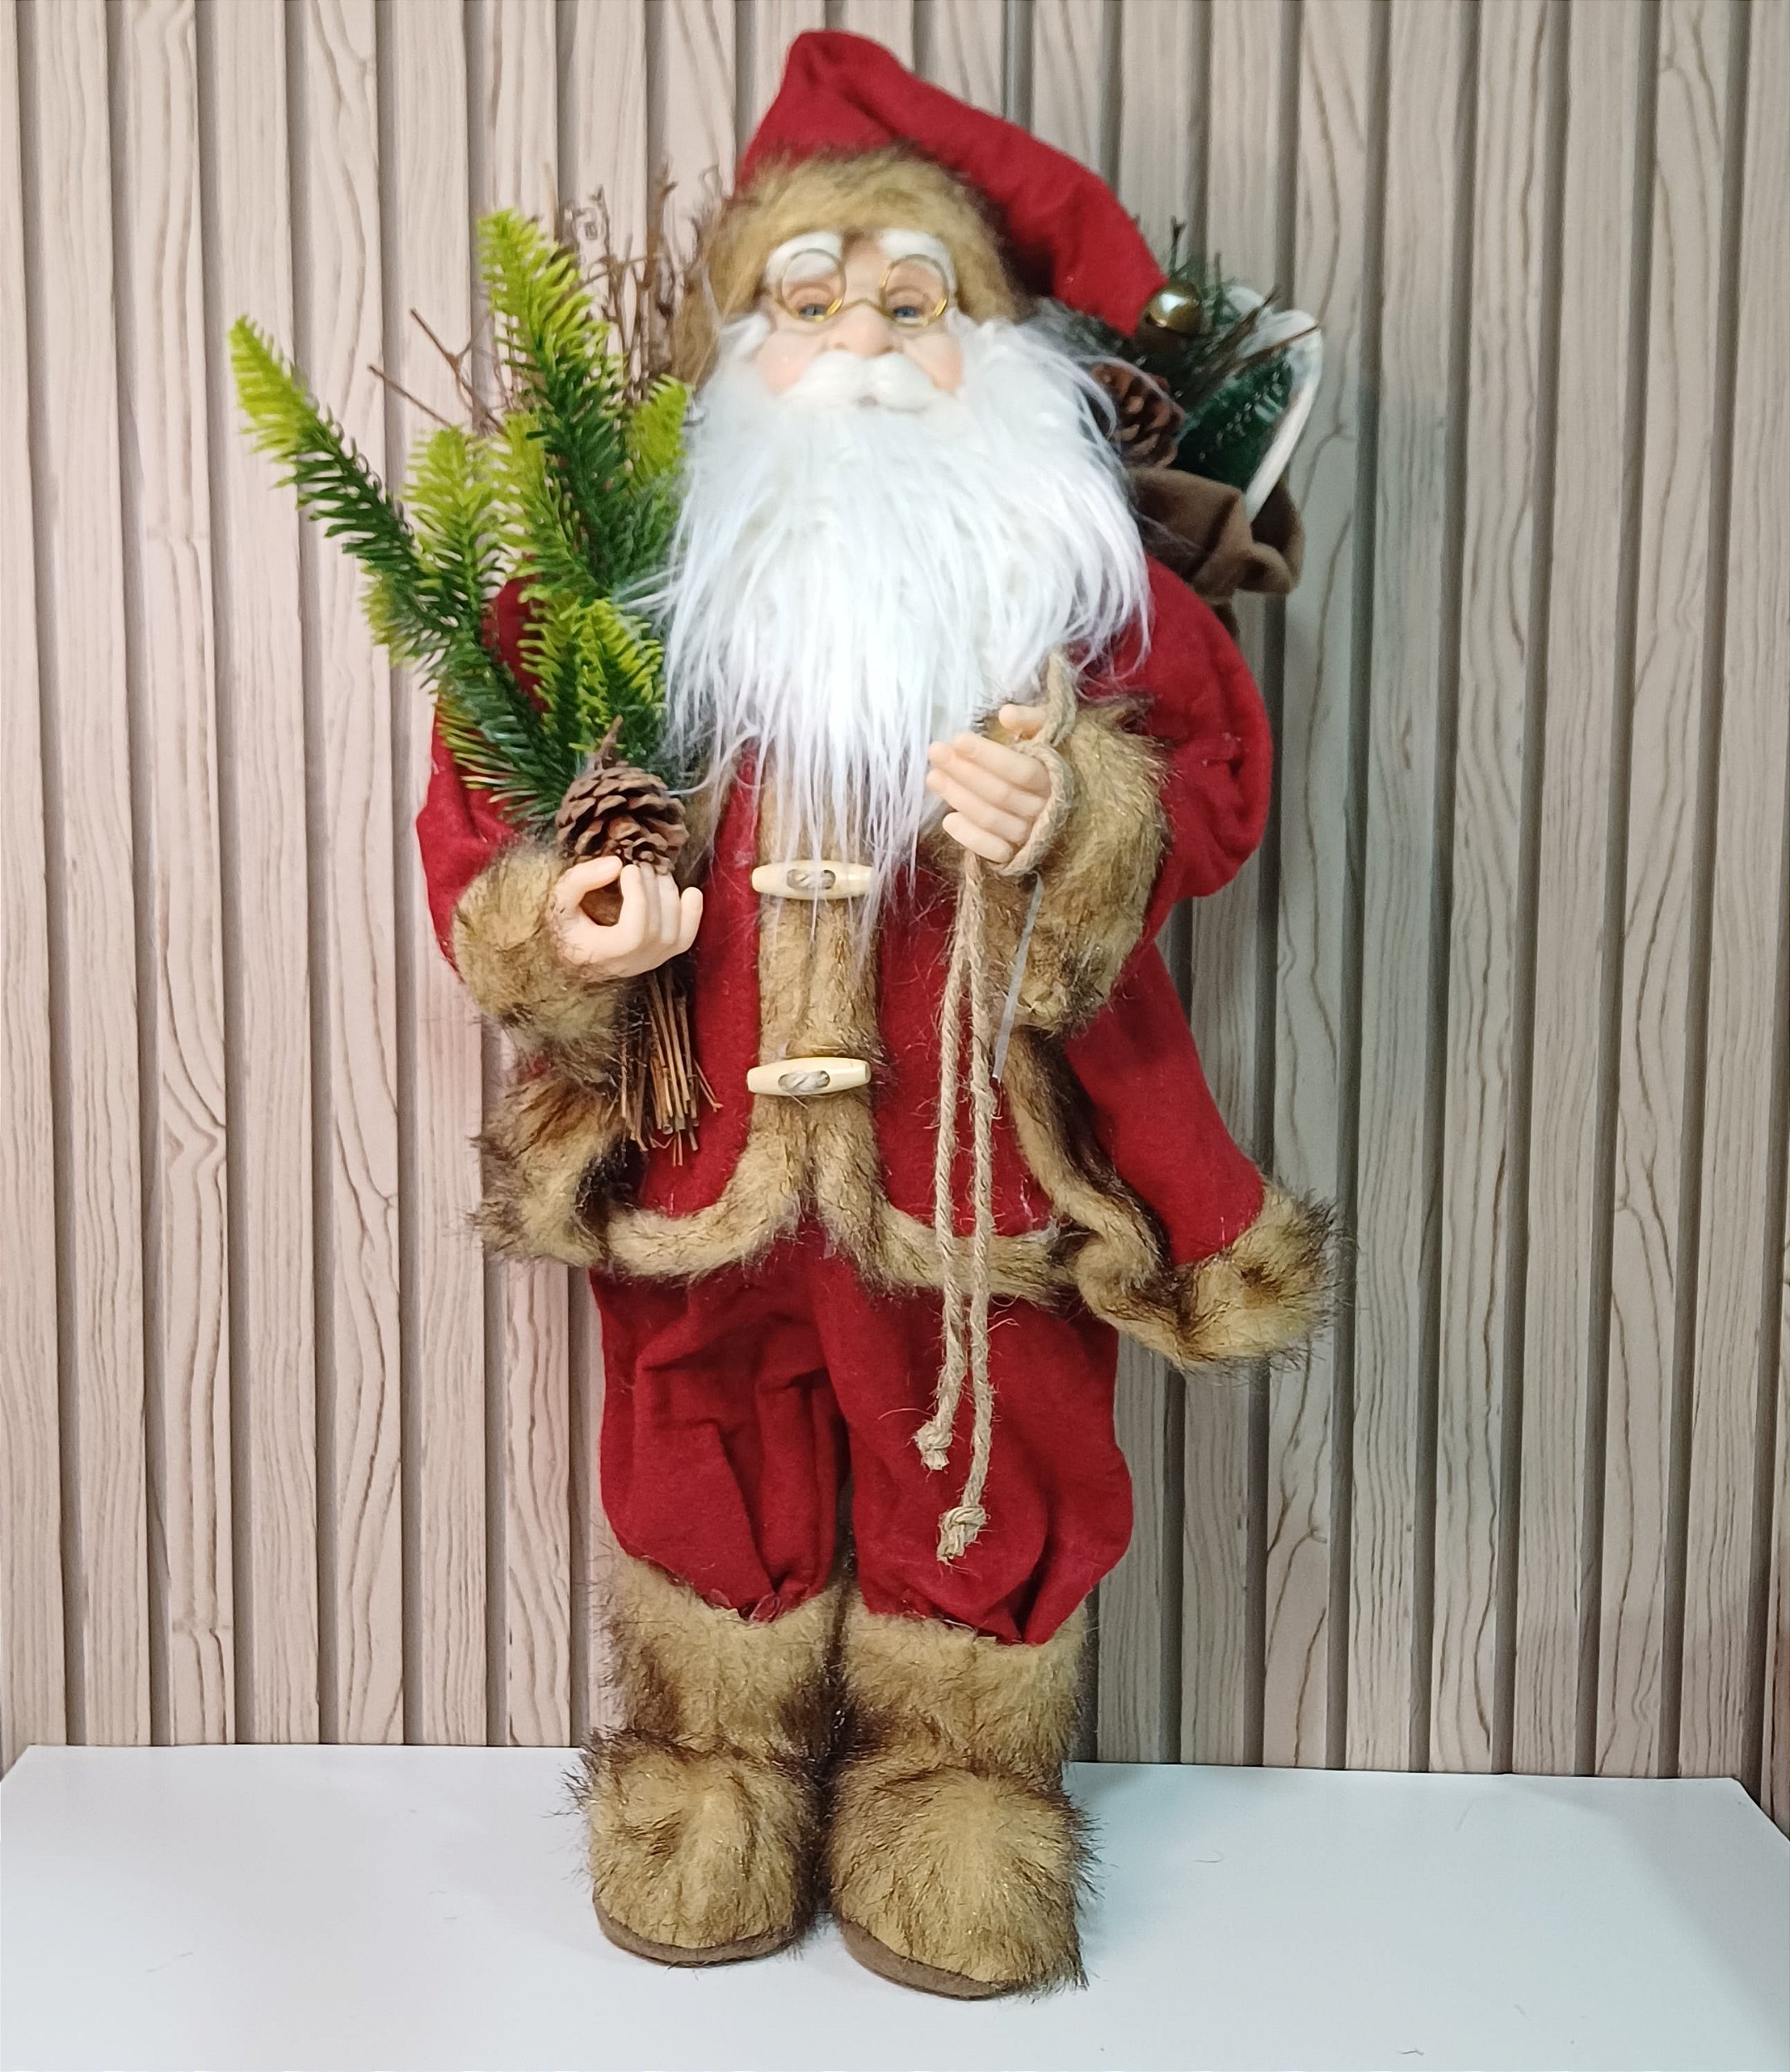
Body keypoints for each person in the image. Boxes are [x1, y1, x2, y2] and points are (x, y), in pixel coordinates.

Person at [416, 30, 1327, 2000]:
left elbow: (1214, 778)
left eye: (915, 302)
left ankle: (959, 1785)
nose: (858, 336)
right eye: (810, 295)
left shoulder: (1076, 589)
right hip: (702, 1152)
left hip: (981, 1161)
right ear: (732, 344)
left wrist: (1078, 805)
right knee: (697, 1424)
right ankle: (711, 1768)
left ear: (995, 353)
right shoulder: (626, 586)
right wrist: (564, 913)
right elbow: (486, 778)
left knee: (993, 1450)